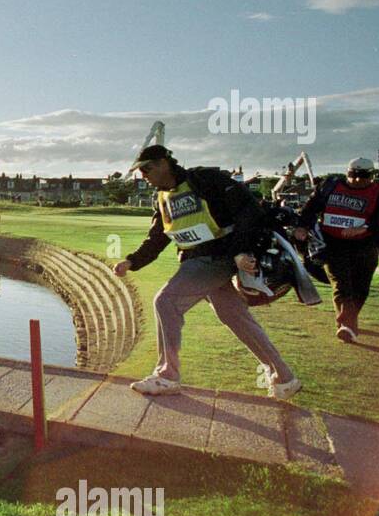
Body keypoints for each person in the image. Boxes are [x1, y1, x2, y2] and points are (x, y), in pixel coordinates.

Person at [112, 144, 301, 399]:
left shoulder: (205, 180)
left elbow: (249, 210)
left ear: (165, 163)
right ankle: (284, 377)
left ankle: (167, 376)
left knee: (166, 302)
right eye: (140, 171)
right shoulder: (162, 198)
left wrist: (240, 250)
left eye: (147, 168)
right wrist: (132, 262)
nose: (143, 175)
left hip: (217, 258)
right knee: (234, 315)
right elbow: (158, 237)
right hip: (197, 260)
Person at [295, 157, 379, 342]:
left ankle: (349, 320)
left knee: (361, 287)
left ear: (372, 175)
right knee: (341, 285)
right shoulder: (330, 186)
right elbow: (310, 207)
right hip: (332, 244)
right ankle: (346, 325)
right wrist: (302, 226)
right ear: (348, 173)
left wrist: (366, 227)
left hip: (365, 245)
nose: (359, 180)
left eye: (364, 176)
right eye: (354, 175)